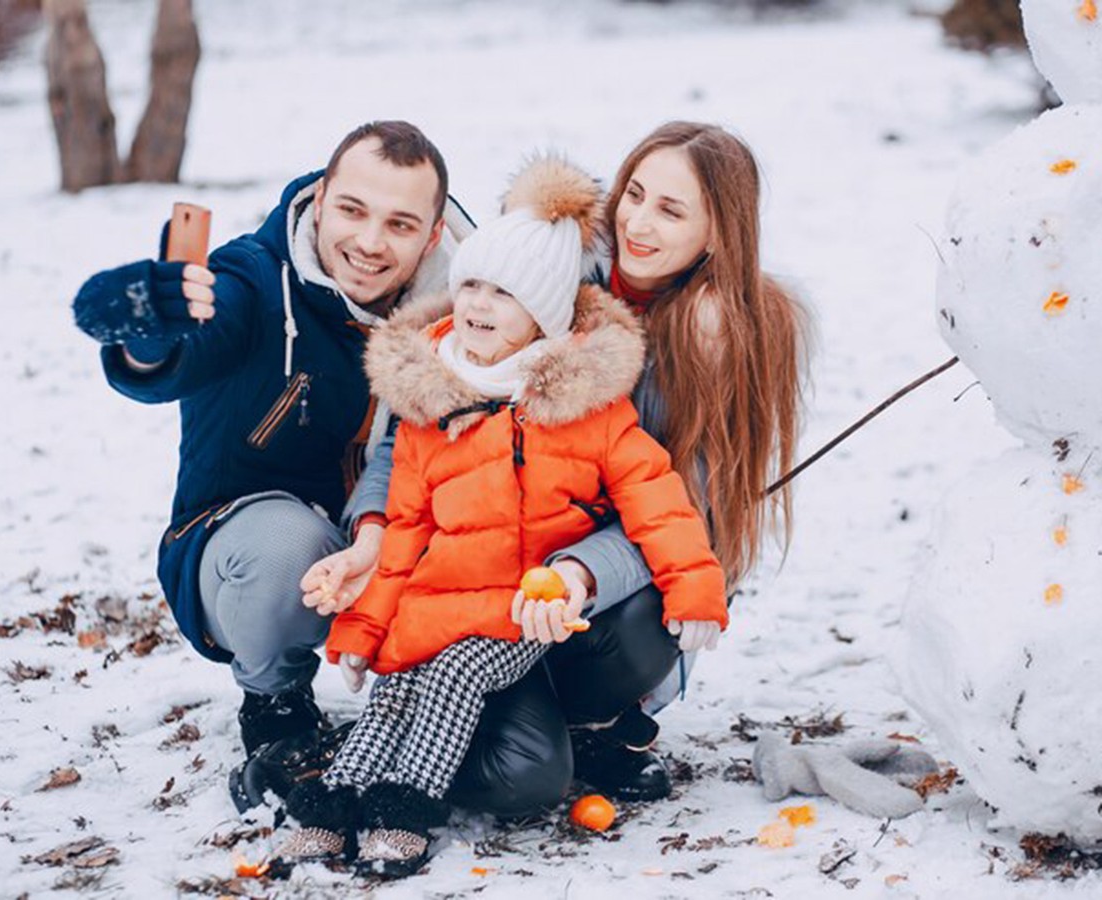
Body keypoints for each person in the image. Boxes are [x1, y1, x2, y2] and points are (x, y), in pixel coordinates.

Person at [311, 121, 807, 810]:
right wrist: (372, 533)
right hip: (476, 583)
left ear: (719, 233)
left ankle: (586, 721)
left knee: (637, 632)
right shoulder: (541, 272)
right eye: (634, 194)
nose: (638, 223)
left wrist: (577, 573)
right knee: (521, 769)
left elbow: (680, 511)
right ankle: (428, 738)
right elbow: (414, 432)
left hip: (581, 593)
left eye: (671, 211)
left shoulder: (715, 333)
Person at [70, 121, 473, 809]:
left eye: (400, 224)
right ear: (319, 200)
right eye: (352, 211)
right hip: (246, 556)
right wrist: (146, 335)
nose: (370, 242)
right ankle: (276, 701)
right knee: (291, 544)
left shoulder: (469, 310)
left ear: (433, 235)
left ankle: (455, 702)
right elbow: (188, 346)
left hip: (398, 542)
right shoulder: (253, 281)